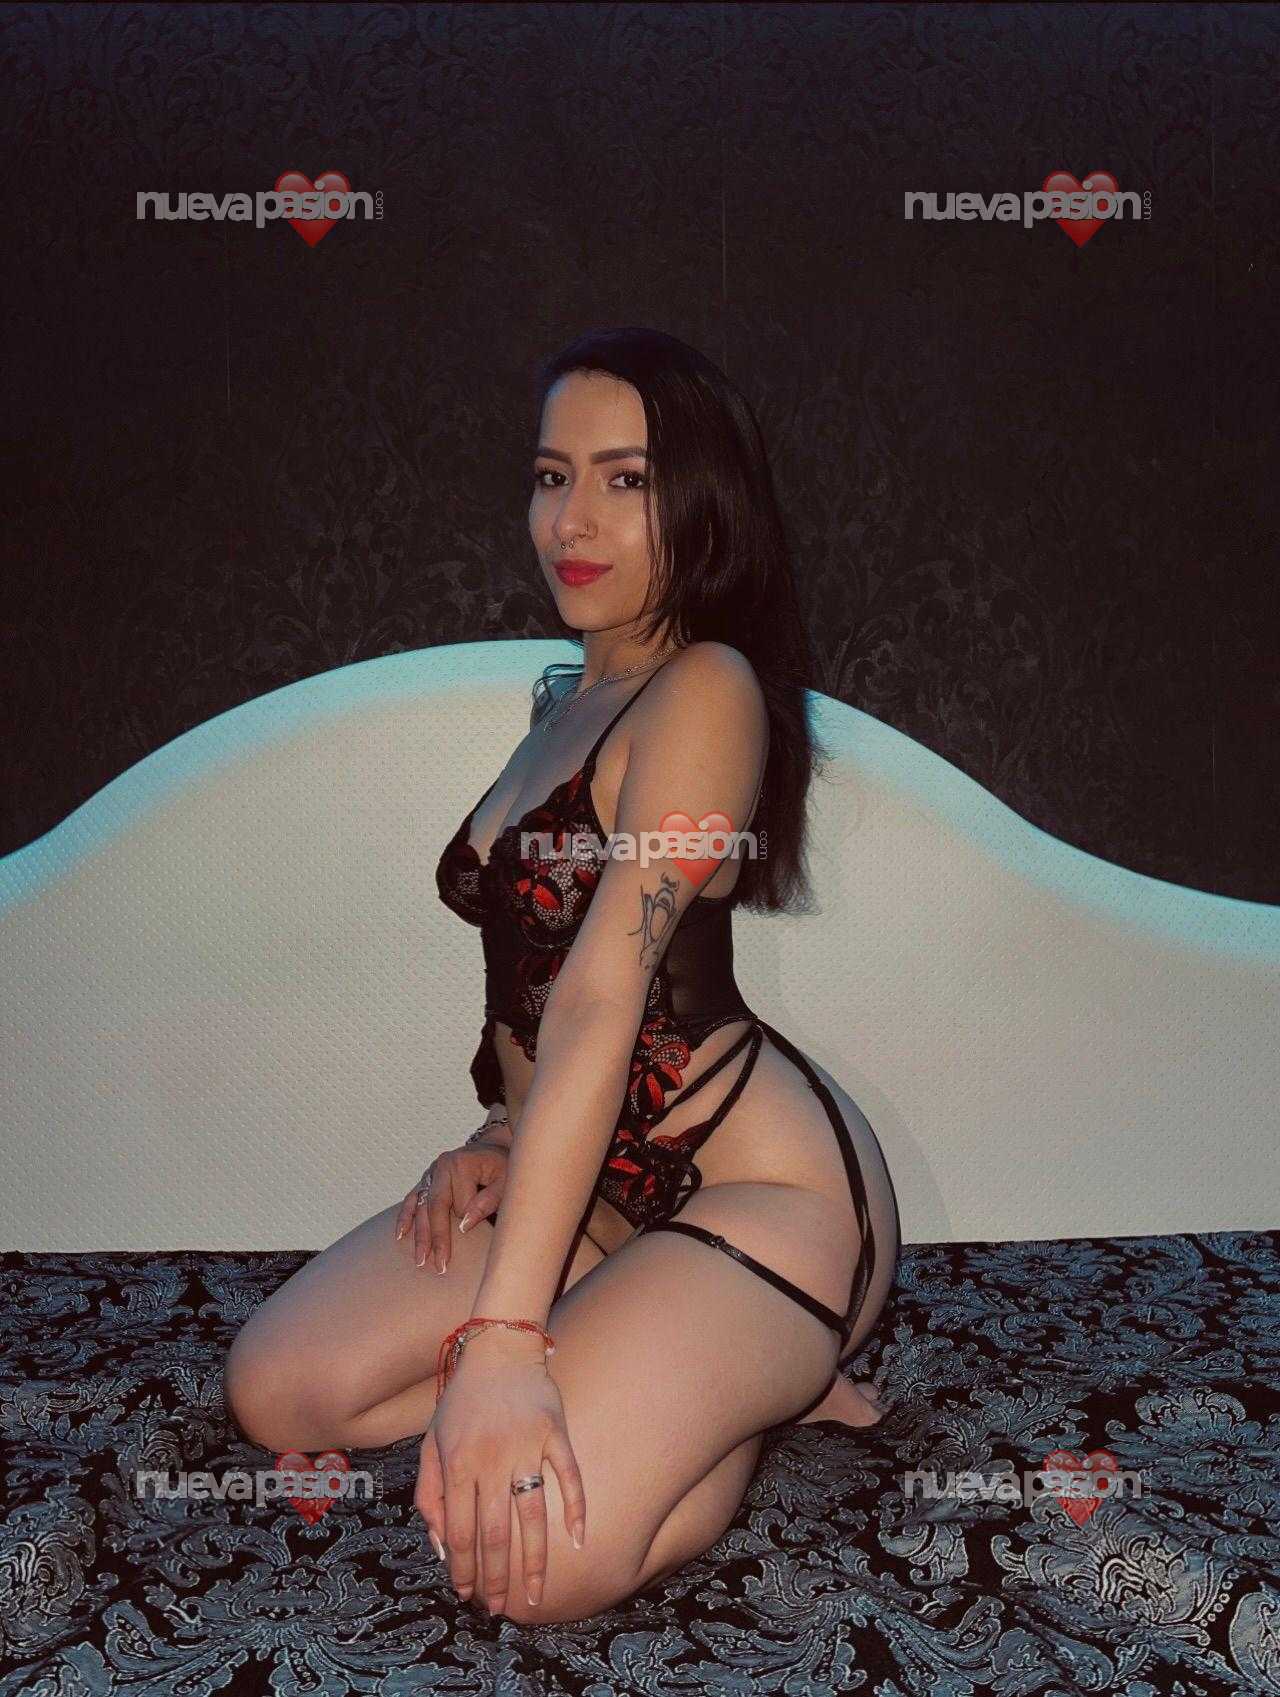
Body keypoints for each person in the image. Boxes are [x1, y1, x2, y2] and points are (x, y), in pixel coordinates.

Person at [223, 327, 901, 1627]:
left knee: (529, 1567)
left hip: (761, 1195)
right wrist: (502, 1132)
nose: (570, 519)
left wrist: (505, 1343)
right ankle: (686, 1355)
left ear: (702, 503)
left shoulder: (707, 688)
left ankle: (752, 1380)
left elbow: (599, 996)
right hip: (590, 1189)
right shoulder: (561, 704)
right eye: (551, 476)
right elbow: (525, 986)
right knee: (280, 1388)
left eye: (624, 479)